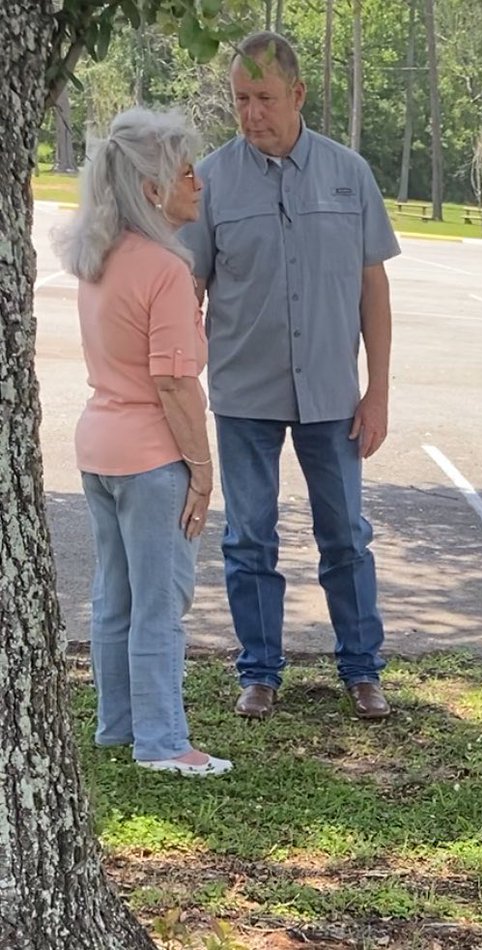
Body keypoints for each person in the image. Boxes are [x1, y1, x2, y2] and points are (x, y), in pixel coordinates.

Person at [179, 31, 400, 721]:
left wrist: (379, 391)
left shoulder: (349, 174)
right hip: (244, 394)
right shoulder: (210, 181)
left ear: (298, 95)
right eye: (241, 99)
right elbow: (187, 292)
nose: (251, 114)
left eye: (265, 99)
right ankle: (260, 672)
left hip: (332, 396)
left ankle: (362, 671)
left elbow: (373, 290)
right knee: (249, 539)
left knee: (344, 536)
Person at [55, 108, 232, 777]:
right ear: (154, 187)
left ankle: (118, 725)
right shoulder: (163, 267)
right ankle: (162, 742)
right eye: (187, 171)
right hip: (153, 458)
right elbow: (175, 384)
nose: (200, 182)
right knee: (159, 602)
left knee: (116, 595)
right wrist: (202, 470)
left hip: (99, 448)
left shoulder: (99, 255)